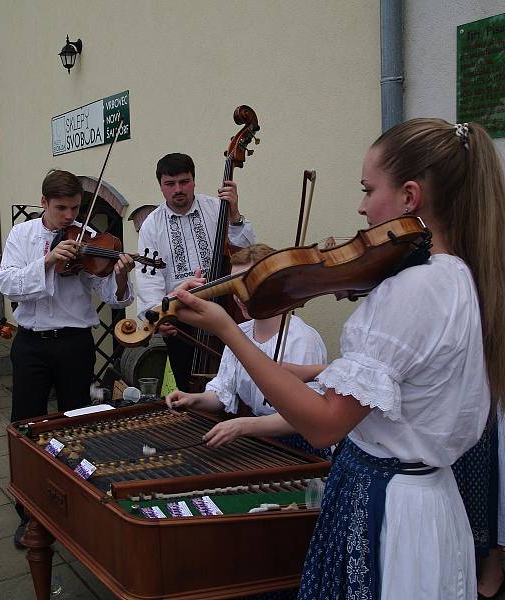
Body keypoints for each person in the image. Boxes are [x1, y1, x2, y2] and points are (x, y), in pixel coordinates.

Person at [170, 119, 505, 600]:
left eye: (369, 190)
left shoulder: (413, 288)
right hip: (426, 503)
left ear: (410, 197)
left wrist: (227, 330)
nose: (361, 207)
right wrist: (298, 369)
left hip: (389, 510)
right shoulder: (456, 275)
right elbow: (403, 384)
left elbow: (324, 426)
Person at [0, 168, 135, 547]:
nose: (69, 217)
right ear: (43, 203)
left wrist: (121, 277)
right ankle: (28, 513)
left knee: (76, 422)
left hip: (75, 341)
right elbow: (7, 284)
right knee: (26, 425)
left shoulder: (89, 238)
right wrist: (46, 262)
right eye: (61, 209)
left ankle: (78, 504)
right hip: (30, 343)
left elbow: (111, 295)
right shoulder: (22, 236)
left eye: (75, 208)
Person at [165, 244, 329, 459]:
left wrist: (243, 426)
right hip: (260, 440)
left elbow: (307, 417)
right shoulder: (239, 331)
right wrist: (193, 399)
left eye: (249, 283)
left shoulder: (302, 339)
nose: (239, 294)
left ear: (274, 284)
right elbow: (223, 391)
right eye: (234, 285)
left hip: (299, 447)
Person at [136, 152, 257, 391]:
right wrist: (159, 316)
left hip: (226, 310)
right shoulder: (152, 224)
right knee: (188, 386)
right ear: (161, 186)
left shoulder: (216, 207)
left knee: (238, 383)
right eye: (170, 184)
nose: (178, 189)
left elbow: (248, 253)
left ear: (194, 180)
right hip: (182, 318)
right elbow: (148, 278)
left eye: (184, 181)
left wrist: (234, 215)